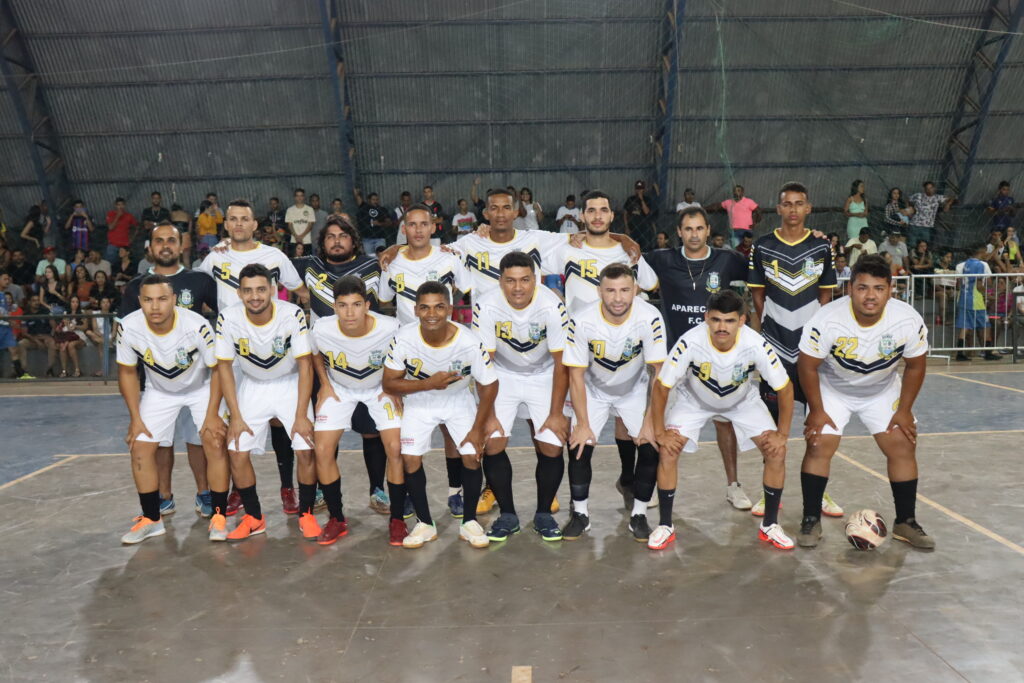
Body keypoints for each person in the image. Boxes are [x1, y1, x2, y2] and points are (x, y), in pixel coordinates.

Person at [797, 254, 934, 549]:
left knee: (902, 444)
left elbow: (916, 366)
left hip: (882, 390)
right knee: (818, 444)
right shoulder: (826, 319)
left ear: (890, 289)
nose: (870, 296)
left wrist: (905, 410)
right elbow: (806, 366)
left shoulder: (907, 319)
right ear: (850, 288)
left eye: (878, 288)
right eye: (862, 288)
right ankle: (810, 519)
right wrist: (817, 410)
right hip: (833, 389)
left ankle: (905, 522)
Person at [648, 290, 794, 550]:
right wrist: (660, 432)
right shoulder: (690, 341)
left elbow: (785, 387)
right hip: (694, 401)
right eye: (716, 320)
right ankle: (665, 525)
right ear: (706, 318)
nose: (722, 327)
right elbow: (661, 386)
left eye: (729, 321)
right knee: (668, 450)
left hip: (742, 402)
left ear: (742, 321)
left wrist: (782, 434)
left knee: (777, 451)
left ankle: (770, 525)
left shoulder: (755, 343)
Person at [639, 206, 757, 508]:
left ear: (708, 231)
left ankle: (733, 485)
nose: (694, 234)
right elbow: (627, 258)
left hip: (717, 358)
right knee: (661, 422)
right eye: (688, 229)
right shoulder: (661, 259)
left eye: (700, 228)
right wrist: (622, 239)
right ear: (679, 232)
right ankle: (654, 486)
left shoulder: (727, 260)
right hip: (674, 360)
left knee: (724, 423)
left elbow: (763, 269)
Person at [542, 190, 650, 510]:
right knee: (578, 427)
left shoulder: (626, 251)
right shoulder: (566, 248)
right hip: (580, 354)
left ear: (612, 215)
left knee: (627, 421)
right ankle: (576, 502)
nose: (598, 216)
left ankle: (628, 480)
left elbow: (649, 284)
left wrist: (625, 239)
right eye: (592, 210)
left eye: (604, 210)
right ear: (582, 216)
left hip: (621, 350)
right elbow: (527, 253)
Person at [198, 199, 307, 513]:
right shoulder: (215, 257)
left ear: (255, 224)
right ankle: (238, 489)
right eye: (233, 219)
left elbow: (301, 291)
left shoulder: (274, 256)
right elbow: (195, 289)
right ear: (226, 224)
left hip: (271, 349)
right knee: (234, 425)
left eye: (244, 219)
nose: (239, 224)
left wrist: (304, 327)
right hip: (233, 352)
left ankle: (287, 487)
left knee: (279, 422)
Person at [748, 181, 842, 518]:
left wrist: (819, 340)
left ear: (808, 208)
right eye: (787, 204)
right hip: (775, 348)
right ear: (778, 208)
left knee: (818, 425)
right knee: (772, 427)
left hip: (810, 353)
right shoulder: (762, 246)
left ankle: (819, 491)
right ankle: (768, 493)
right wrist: (768, 332)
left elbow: (826, 296)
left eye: (799, 203)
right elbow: (758, 295)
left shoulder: (821, 247)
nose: (792, 209)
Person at [381, 281, 499, 549]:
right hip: (420, 400)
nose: (431, 314)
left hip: (458, 400)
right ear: (415, 310)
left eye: (438, 307)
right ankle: (425, 524)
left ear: (450, 309)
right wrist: (427, 384)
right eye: (425, 308)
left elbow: (490, 384)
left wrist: (478, 428)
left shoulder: (469, 341)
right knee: (410, 458)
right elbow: (389, 383)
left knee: (471, 455)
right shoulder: (404, 338)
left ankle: (469, 522)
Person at [561, 263, 667, 542]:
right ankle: (580, 514)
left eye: (624, 290)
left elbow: (658, 374)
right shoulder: (582, 320)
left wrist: (649, 423)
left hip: (634, 389)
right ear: (599, 291)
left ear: (635, 290)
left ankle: (639, 515)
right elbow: (575, 375)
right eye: (610, 290)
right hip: (592, 389)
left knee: (651, 446)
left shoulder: (650, 317)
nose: (618, 298)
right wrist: (583, 424)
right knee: (579, 446)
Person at [120, 222, 219, 515]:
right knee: (159, 441)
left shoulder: (200, 280)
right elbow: (128, 335)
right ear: (150, 248)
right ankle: (163, 495)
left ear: (181, 245)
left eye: (171, 240)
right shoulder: (136, 286)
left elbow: (224, 318)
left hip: (197, 376)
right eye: (159, 241)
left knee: (199, 439)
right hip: (157, 378)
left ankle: (205, 493)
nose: (165, 246)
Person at [378, 206, 471, 517]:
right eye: (412, 224)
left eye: (423, 224)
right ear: (404, 229)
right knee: (407, 429)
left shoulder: (450, 259)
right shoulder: (392, 263)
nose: (418, 230)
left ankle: (455, 492)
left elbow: (467, 293)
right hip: (408, 356)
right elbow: (384, 300)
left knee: (450, 430)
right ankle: (407, 493)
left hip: (446, 351)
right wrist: (392, 251)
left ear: (433, 227)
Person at [472, 251, 571, 542]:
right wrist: (489, 415)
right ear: (500, 281)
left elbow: (561, 364)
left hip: (544, 375)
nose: (518, 288)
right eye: (511, 281)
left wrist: (556, 413)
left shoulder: (552, 305)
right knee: (492, 442)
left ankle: (543, 514)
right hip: (501, 375)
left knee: (552, 444)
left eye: (525, 280)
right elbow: (484, 364)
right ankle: (508, 515)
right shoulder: (486, 305)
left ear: (535, 280)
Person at [215, 264, 315, 541]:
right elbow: (224, 368)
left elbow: (305, 365)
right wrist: (235, 416)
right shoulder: (228, 317)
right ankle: (254, 517)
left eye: (261, 289)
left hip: (289, 384)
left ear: (272, 290)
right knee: (236, 450)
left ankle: (306, 514)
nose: (255, 296)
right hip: (252, 386)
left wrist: (301, 414)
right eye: (248, 291)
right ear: (239, 293)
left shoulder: (292, 313)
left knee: (306, 449)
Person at [310, 275, 403, 545]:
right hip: (340, 388)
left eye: (356, 305)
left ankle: (397, 520)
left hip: (379, 388)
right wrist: (324, 384)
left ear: (367, 305)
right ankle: (336, 518)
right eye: (342, 305)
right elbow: (315, 353)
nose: (349, 312)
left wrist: (394, 385)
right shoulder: (321, 328)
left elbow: (405, 353)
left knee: (396, 448)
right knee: (322, 449)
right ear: (334, 306)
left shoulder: (390, 327)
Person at [954, 244, 999, 361]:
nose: (986, 254)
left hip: (964, 297)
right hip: (975, 299)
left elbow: (959, 283)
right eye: (986, 252)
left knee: (965, 326)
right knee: (986, 325)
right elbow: (979, 285)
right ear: (981, 251)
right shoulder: (980, 265)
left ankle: (960, 353)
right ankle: (988, 352)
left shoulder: (965, 264)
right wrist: (988, 296)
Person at [17, 294, 56, 376]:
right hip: (32, 339)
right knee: (21, 344)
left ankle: (50, 369)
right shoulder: (26, 314)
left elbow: (54, 327)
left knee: (52, 343)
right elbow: (24, 333)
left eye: (38, 300)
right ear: (30, 302)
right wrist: (36, 341)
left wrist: (50, 336)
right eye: (34, 301)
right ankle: (24, 371)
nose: (37, 302)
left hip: (45, 337)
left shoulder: (45, 311)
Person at [908, 181, 953, 246]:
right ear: (924, 189)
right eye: (927, 188)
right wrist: (909, 210)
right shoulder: (918, 195)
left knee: (924, 246)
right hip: (914, 224)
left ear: (934, 188)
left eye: (931, 188)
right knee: (912, 244)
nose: (929, 190)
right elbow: (908, 199)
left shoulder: (938, 197)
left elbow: (951, 198)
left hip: (927, 227)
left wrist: (948, 204)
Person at [54, 295, 87, 377]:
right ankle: (64, 371)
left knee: (71, 345)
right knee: (62, 346)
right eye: (73, 302)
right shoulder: (66, 313)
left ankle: (77, 370)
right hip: (67, 335)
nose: (75, 304)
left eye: (77, 302)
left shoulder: (82, 312)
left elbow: (85, 327)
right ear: (70, 303)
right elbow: (64, 326)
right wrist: (62, 326)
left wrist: (76, 327)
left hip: (79, 336)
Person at [353, 189, 392, 253]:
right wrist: (357, 193)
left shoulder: (382, 209)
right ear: (369, 200)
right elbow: (358, 199)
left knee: (381, 255)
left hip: (380, 238)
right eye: (373, 199)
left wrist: (379, 223)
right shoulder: (364, 207)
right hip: (367, 239)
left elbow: (389, 223)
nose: (375, 201)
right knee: (369, 257)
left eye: (377, 199)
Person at [104, 198, 139, 264]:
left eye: (122, 205)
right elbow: (110, 227)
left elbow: (136, 227)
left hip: (125, 246)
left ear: (124, 205)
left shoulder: (129, 216)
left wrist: (132, 238)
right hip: (113, 245)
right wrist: (117, 216)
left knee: (125, 264)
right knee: (109, 264)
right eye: (118, 205)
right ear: (115, 205)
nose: (120, 207)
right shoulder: (111, 214)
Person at [623, 180, 654, 246]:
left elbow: (646, 212)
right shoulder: (630, 199)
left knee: (643, 246)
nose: (639, 191)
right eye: (637, 189)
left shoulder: (647, 199)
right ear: (635, 189)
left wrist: (641, 199)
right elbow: (625, 214)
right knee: (631, 246)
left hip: (644, 228)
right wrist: (626, 227)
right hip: (632, 227)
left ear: (643, 190)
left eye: (641, 189)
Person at [286, 188, 316, 256]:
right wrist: (296, 237)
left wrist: (301, 237)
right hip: (294, 240)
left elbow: (310, 225)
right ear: (294, 197)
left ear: (304, 197)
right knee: (294, 260)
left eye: (301, 195)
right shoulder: (290, 210)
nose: (299, 198)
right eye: (297, 196)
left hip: (306, 241)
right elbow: (290, 225)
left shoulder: (310, 209)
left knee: (307, 260)